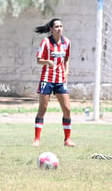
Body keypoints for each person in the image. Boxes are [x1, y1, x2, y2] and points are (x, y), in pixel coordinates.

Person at [32, 18, 75, 147]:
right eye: (56, 26)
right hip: (47, 79)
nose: (59, 28)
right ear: (51, 29)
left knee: (67, 108)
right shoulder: (46, 42)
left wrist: (67, 71)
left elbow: (67, 58)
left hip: (61, 79)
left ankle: (67, 139)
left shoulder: (67, 42)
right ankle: (37, 139)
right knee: (43, 109)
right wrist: (47, 62)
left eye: (61, 26)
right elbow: (38, 60)